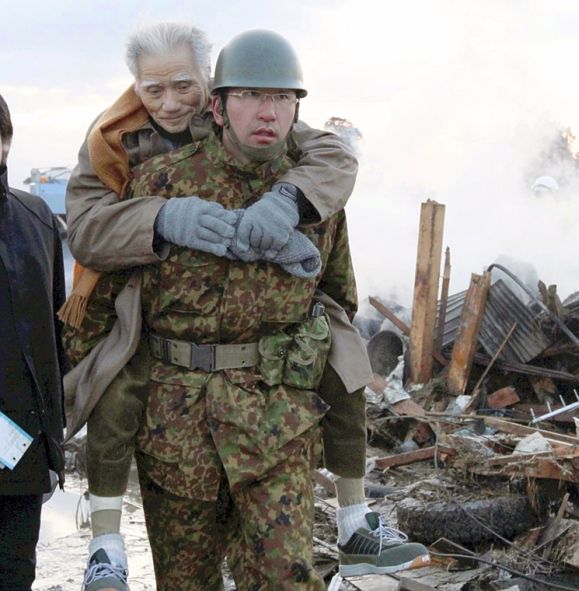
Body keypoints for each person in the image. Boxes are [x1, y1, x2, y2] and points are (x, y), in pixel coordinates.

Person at [63, 25, 428, 590]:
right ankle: (105, 544)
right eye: (252, 96)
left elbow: (339, 291)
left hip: (276, 424)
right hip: (176, 428)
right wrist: (162, 219)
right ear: (222, 102)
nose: (170, 103)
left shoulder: (309, 185)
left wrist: (288, 208)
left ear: (207, 89)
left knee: (286, 578)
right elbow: (97, 265)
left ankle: (357, 521)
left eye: (281, 98)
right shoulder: (134, 163)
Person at [0, 93, 67, 590]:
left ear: (6, 143)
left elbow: (57, 332)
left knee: (16, 569)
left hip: (20, 438)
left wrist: (53, 437)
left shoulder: (38, 216)